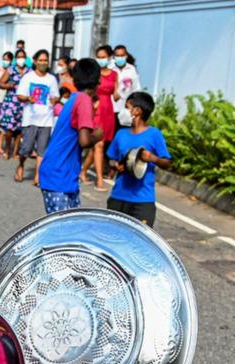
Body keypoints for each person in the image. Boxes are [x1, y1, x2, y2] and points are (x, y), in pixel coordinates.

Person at [36, 58, 104, 214]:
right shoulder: (84, 100)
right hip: (58, 176)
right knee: (62, 233)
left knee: (70, 230)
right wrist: (97, 136)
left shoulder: (75, 97)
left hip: (64, 176)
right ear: (97, 79)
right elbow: (84, 140)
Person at [106, 92, 171, 227]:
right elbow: (110, 158)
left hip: (142, 201)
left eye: (127, 107)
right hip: (118, 197)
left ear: (137, 110)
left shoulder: (154, 135)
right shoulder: (121, 134)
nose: (124, 111)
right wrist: (115, 165)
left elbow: (167, 162)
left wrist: (152, 158)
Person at [15, 49, 59, 185]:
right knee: (26, 149)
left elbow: (55, 95)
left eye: (45, 60)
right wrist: (28, 98)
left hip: (46, 119)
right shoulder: (28, 77)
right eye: (40, 60)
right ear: (34, 61)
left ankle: (38, 176)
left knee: (42, 150)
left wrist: (54, 100)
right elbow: (19, 96)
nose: (43, 63)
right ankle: (21, 165)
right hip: (30, 118)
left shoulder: (51, 79)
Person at [79, 45, 119, 191]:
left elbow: (116, 92)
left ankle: (83, 171)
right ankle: (100, 180)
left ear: (109, 58)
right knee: (99, 145)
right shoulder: (95, 74)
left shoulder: (114, 74)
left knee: (98, 145)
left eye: (103, 57)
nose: (101, 60)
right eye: (99, 57)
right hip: (96, 109)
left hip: (108, 110)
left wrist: (118, 94)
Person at [0, 49, 31, 160]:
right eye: (19, 57)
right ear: (16, 59)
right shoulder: (11, 70)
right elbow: (0, 83)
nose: (21, 59)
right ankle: (7, 149)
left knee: (19, 130)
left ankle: (16, 151)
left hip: (24, 103)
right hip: (11, 102)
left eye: (23, 57)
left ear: (26, 59)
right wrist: (8, 86)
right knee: (9, 129)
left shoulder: (30, 71)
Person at [111, 44, 141, 128]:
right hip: (111, 109)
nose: (120, 58)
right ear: (114, 57)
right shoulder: (110, 69)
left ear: (126, 56)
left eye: (122, 55)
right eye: (117, 56)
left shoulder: (131, 69)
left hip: (126, 110)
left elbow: (136, 89)